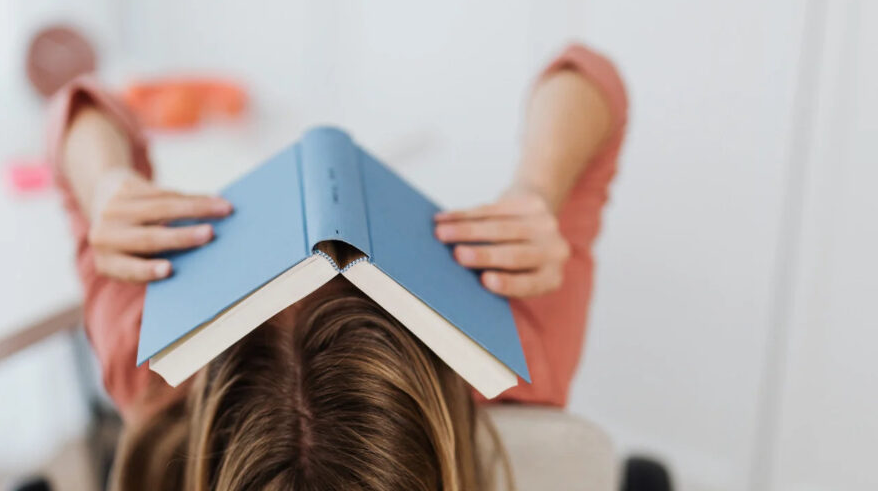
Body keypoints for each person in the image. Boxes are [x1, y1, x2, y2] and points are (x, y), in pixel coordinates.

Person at [48, 44, 627, 489]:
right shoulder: (512, 340)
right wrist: (537, 188)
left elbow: (81, 107)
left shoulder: (154, 354)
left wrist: (107, 187)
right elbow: (588, 74)